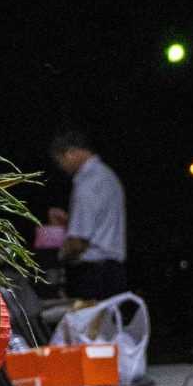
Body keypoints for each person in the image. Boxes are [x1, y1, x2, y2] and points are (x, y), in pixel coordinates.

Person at [48, 126, 128, 302]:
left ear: (70, 153)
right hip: (113, 272)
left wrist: (57, 254)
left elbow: (78, 242)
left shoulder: (87, 181)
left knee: (88, 327)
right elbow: (100, 225)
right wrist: (69, 223)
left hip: (94, 275)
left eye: (59, 161)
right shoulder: (107, 175)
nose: (61, 167)